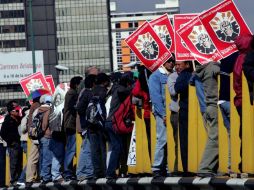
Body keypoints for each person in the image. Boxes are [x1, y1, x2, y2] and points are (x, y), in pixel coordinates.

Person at [148, 57, 175, 177]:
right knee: (162, 138)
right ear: (163, 61)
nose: (171, 63)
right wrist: (163, 114)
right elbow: (156, 98)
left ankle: (166, 166)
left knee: (171, 139)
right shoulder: (155, 76)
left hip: (172, 111)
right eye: (169, 61)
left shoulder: (174, 74)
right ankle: (157, 166)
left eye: (173, 61)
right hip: (162, 112)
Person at [196, 61, 220, 177]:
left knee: (214, 136)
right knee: (215, 138)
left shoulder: (202, 70)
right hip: (215, 106)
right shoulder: (213, 67)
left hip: (209, 106)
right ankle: (205, 168)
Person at [106, 74, 133, 179]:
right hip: (113, 122)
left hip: (109, 122)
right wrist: (133, 86)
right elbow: (127, 91)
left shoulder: (115, 89)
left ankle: (115, 170)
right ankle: (110, 172)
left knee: (118, 147)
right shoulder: (120, 89)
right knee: (117, 147)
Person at [233, 34, 253, 172]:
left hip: (240, 101)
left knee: (244, 133)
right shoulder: (247, 59)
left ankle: (243, 162)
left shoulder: (238, 59)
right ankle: (246, 163)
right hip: (246, 102)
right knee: (247, 132)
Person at [89, 73, 110, 178]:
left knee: (94, 149)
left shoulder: (90, 91)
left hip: (90, 123)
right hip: (101, 123)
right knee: (103, 148)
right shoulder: (104, 92)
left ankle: (96, 172)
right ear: (105, 81)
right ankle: (105, 171)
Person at [76, 75, 97, 180]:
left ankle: (82, 172)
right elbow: (79, 108)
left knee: (85, 148)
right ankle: (86, 172)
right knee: (87, 149)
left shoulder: (84, 93)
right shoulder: (88, 94)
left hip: (85, 124)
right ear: (93, 83)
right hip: (87, 125)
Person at [174, 61, 193, 174]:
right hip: (189, 110)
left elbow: (177, 88)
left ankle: (187, 166)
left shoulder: (185, 75)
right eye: (176, 64)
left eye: (179, 64)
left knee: (184, 139)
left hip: (186, 110)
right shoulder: (189, 74)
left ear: (187, 65)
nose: (177, 67)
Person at [63, 76, 83, 181]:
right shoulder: (72, 94)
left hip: (69, 124)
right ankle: (67, 172)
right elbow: (72, 107)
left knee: (71, 149)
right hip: (71, 125)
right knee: (71, 149)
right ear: (76, 85)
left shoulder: (70, 93)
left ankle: (68, 171)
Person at [0, 101, 22, 186]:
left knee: (19, 162)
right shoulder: (8, 120)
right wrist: (10, 141)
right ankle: (13, 180)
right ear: (11, 111)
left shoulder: (17, 119)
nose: (18, 110)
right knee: (14, 162)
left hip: (18, 143)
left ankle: (19, 179)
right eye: (16, 109)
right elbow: (2, 133)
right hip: (13, 145)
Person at [132, 65, 152, 157]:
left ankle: (152, 159)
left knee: (150, 138)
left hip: (147, 113)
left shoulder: (141, 80)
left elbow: (135, 92)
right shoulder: (156, 76)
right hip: (158, 112)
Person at [38, 95, 53, 183]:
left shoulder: (38, 110)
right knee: (48, 157)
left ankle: (43, 175)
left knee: (43, 156)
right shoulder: (49, 110)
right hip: (47, 136)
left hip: (40, 136)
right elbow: (44, 126)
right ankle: (46, 176)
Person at [167, 60, 179, 173]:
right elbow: (173, 91)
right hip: (176, 113)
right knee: (177, 141)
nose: (178, 67)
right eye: (177, 64)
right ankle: (177, 168)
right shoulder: (172, 77)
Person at [26, 97, 41, 186]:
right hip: (36, 134)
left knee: (34, 156)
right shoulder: (37, 106)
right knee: (34, 157)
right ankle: (29, 178)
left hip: (32, 133)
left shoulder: (32, 106)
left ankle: (32, 177)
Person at [17, 104, 31, 186]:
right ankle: (21, 178)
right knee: (30, 160)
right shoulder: (27, 117)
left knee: (31, 160)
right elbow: (22, 129)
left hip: (26, 141)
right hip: (26, 141)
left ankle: (23, 178)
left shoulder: (27, 116)